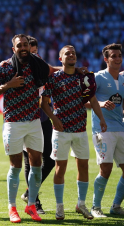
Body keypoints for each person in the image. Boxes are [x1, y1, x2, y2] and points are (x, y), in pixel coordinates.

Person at [0, 34, 52, 223]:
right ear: (13, 49)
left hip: (33, 122)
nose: (23, 48)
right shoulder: (4, 67)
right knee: (15, 167)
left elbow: (51, 71)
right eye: (19, 45)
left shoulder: (37, 63)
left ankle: (31, 205)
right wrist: (9, 85)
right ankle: (12, 207)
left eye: (25, 44)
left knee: (37, 165)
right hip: (13, 122)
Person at [41, 45, 107, 220]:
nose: (71, 55)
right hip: (60, 130)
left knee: (83, 166)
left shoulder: (84, 77)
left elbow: (92, 99)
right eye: (67, 53)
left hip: (80, 129)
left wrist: (101, 118)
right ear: (60, 59)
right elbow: (44, 102)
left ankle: (81, 204)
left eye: (73, 53)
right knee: (60, 167)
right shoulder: (54, 78)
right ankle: (59, 206)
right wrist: (53, 119)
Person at [20, 36, 56, 214]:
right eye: (30, 52)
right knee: (30, 161)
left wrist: (77, 70)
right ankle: (35, 202)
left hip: (43, 117)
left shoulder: (41, 65)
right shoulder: (18, 67)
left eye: (35, 52)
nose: (33, 56)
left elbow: (55, 71)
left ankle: (29, 192)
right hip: (25, 119)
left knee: (51, 158)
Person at [89, 43, 124, 217]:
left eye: (119, 55)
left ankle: (116, 206)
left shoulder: (123, 79)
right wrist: (101, 104)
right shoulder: (98, 77)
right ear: (106, 59)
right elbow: (85, 100)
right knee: (106, 169)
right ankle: (95, 207)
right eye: (113, 56)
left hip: (121, 128)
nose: (117, 59)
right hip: (102, 129)